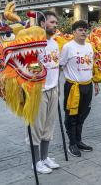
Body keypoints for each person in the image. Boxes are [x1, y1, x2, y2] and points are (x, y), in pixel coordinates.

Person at [60, 20, 99, 157]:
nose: (83, 32)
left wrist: (95, 82)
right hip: (73, 87)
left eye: (85, 30)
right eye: (80, 30)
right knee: (71, 116)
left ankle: (79, 140)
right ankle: (71, 143)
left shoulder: (89, 47)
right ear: (74, 32)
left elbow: (91, 66)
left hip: (87, 86)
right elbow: (60, 65)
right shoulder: (68, 47)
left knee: (83, 114)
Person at [27, 11, 60, 174]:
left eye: (56, 23)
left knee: (49, 126)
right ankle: (36, 161)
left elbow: (56, 65)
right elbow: (29, 65)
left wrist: (56, 86)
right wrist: (39, 71)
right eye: (52, 22)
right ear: (42, 24)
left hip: (53, 89)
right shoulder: (35, 44)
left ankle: (45, 157)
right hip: (39, 91)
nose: (55, 25)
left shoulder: (55, 43)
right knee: (37, 127)